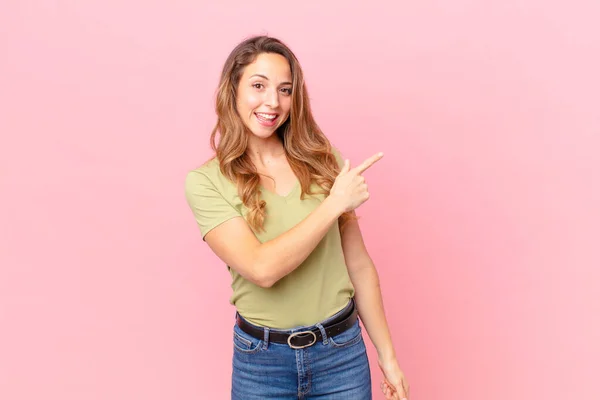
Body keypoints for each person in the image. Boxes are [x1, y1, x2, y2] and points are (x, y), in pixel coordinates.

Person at [185, 35, 409, 400]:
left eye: (285, 90)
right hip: (262, 364)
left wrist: (389, 359)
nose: (272, 102)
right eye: (258, 86)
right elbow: (261, 269)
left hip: (341, 357)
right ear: (234, 91)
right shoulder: (205, 182)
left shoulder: (324, 161)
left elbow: (359, 265)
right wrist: (333, 205)